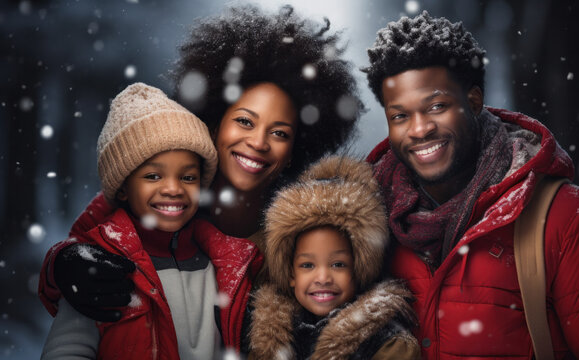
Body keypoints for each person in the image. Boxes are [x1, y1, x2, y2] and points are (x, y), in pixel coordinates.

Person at [38, 5, 361, 354]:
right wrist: (63, 264)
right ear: (215, 120)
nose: (258, 142)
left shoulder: (302, 226)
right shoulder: (165, 192)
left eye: (280, 133)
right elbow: (89, 247)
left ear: (297, 148)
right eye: (245, 122)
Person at [362, 11, 579, 359]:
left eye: (436, 106)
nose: (419, 129)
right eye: (400, 116)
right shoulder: (368, 229)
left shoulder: (574, 223)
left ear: (474, 101)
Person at [41, 82, 220, 359]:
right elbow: (67, 350)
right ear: (123, 188)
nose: (174, 188)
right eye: (153, 176)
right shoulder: (100, 266)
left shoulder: (220, 262)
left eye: (188, 177)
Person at [248, 156, 420, 359]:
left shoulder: (387, 343)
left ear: (359, 270)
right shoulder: (268, 338)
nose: (323, 278)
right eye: (307, 265)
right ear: (291, 274)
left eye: (338, 264)